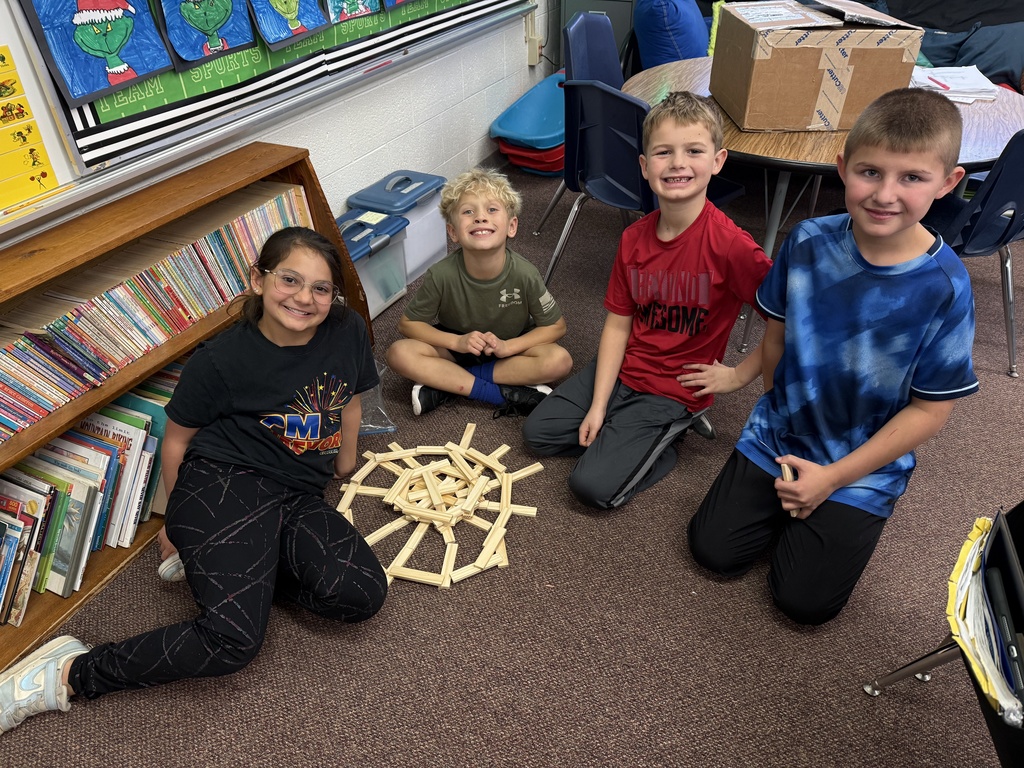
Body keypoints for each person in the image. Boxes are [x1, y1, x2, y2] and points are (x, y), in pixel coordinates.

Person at [1, 227, 388, 734]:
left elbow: (351, 399)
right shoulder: (219, 359)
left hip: (296, 490)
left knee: (360, 593)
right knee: (232, 642)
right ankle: (68, 673)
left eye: (321, 288)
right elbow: (178, 439)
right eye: (289, 280)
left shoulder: (347, 328)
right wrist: (177, 518)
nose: (304, 298)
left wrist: (345, 463)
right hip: (225, 480)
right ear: (258, 279)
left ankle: (230, 561)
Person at [687, 88, 978, 625]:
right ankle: (791, 500)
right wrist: (773, 408)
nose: (885, 194)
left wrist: (832, 478)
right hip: (781, 433)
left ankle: (825, 507)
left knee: (803, 602)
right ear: (843, 168)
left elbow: (931, 410)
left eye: (912, 178)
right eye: (870, 172)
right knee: (712, 550)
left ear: (947, 183)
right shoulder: (807, 241)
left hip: (861, 460)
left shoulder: (946, 287)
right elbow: (775, 334)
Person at [522, 92, 772, 510]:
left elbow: (790, 318)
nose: (677, 163)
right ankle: (625, 434)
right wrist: (599, 407)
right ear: (644, 166)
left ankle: (664, 442)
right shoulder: (633, 238)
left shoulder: (732, 247)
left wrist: (738, 376)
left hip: (674, 391)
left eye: (693, 150)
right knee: (537, 434)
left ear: (717, 161)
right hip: (625, 371)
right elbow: (618, 324)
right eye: (663, 152)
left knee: (591, 488)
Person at [385, 168, 572, 418]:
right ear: (453, 232)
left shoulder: (525, 273)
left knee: (560, 361)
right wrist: (457, 342)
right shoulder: (441, 274)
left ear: (511, 226)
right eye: (468, 212)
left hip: (507, 351)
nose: (480, 218)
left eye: (492, 210)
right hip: (456, 348)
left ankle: (446, 383)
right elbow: (408, 324)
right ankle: (499, 394)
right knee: (398, 353)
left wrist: (508, 346)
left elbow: (556, 327)